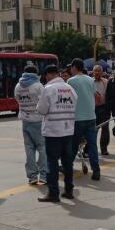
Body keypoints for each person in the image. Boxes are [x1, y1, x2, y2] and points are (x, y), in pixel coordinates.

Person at [37, 64, 77, 202]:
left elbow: (41, 110)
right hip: (68, 130)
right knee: (67, 162)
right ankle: (69, 190)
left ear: (48, 74)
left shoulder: (48, 89)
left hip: (53, 131)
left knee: (52, 162)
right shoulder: (70, 88)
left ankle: (53, 193)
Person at [67, 59, 101, 181]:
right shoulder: (90, 79)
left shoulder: (71, 81)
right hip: (91, 116)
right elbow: (96, 95)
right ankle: (96, 170)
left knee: (73, 144)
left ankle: (67, 167)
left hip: (77, 118)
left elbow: (68, 98)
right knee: (92, 145)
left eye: (71, 67)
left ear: (74, 67)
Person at [14, 65, 47, 185]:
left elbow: (17, 99)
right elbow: (44, 102)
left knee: (29, 148)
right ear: (36, 74)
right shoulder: (38, 86)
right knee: (42, 148)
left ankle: (32, 175)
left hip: (25, 120)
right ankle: (43, 175)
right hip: (38, 120)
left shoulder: (18, 86)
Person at [92, 65, 110, 156]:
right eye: (95, 71)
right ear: (92, 72)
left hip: (104, 108)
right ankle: (91, 149)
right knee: (92, 129)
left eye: (99, 71)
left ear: (102, 72)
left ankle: (104, 148)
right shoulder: (89, 81)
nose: (97, 72)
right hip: (92, 109)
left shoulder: (106, 82)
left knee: (105, 128)